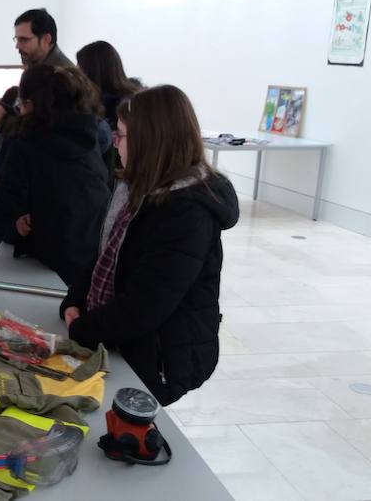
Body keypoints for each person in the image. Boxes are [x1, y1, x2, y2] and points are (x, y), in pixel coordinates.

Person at [60, 85, 240, 406]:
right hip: (121, 337)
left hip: (160, 358)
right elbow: (108, 255)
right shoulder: (137, 187)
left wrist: (84, 328)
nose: (114, 143)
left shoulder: (187, 212)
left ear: (151, 141)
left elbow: (147, 304)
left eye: (122, 135)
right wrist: (76, 299)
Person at [0, 65, 110, 285]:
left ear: (31, 104)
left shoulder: (29, 142)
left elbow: (7, 203)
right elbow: (69, 186)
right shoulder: (87, 131)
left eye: (22, 103)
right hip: (94, 246)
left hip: (56, 256)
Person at [0, 8, 72, 129]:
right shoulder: (36, 66)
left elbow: (46, 131)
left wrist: (1, 120)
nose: (17, 46)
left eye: (24, 39)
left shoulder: (62, 76)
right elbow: (21, 113)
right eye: (17, 39)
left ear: (46, 40)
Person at [76, 40, 142, 187]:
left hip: (122, 183)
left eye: (79, 70)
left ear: (92, 72)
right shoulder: (95, 105)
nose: (76, 77)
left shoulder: (129, 109)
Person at [75, 40, 141, 129]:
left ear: (93, 71)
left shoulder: (124, 108)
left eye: (79, 66)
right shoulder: (133, 100)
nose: (76, 71)